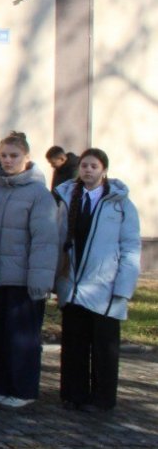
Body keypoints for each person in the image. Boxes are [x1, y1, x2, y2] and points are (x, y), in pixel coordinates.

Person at [55, 148, 139, 413]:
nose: (88, 170)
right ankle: (74, 393)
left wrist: (123, 288)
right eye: (84, 166)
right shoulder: (67, 197)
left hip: (105, 283)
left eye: (93, 166)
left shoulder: (120, 203)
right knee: (74, 342)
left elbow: (130, 247)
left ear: (104, 169)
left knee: (104, 346)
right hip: (73, 282)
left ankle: (102, 398)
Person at [0, 131, 59, 409]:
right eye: (3, 156)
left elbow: (45, 241)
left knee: (22, 338)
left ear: (26, 158)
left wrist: (40, 280)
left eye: (14, 156)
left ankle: (23, 389)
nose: (8, 161)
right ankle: (0, 385)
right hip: (0, 277)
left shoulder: (39, 195)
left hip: (25, 279)